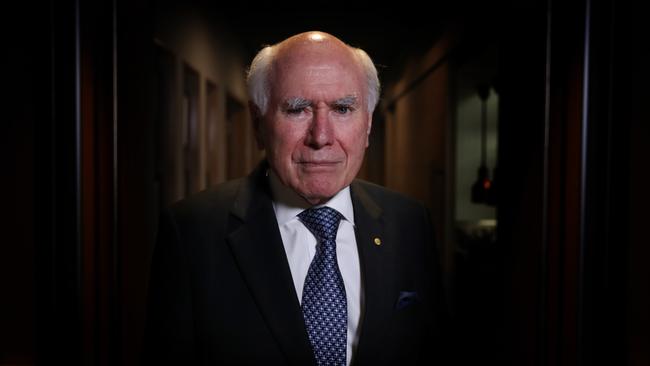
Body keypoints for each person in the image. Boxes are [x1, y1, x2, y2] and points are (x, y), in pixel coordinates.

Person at [143, 31, 447, 366]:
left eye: (343, 108)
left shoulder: (410, 221)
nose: (321, 136)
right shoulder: (191, 232)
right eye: (297, 109)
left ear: (368, 124)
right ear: (258, 123)